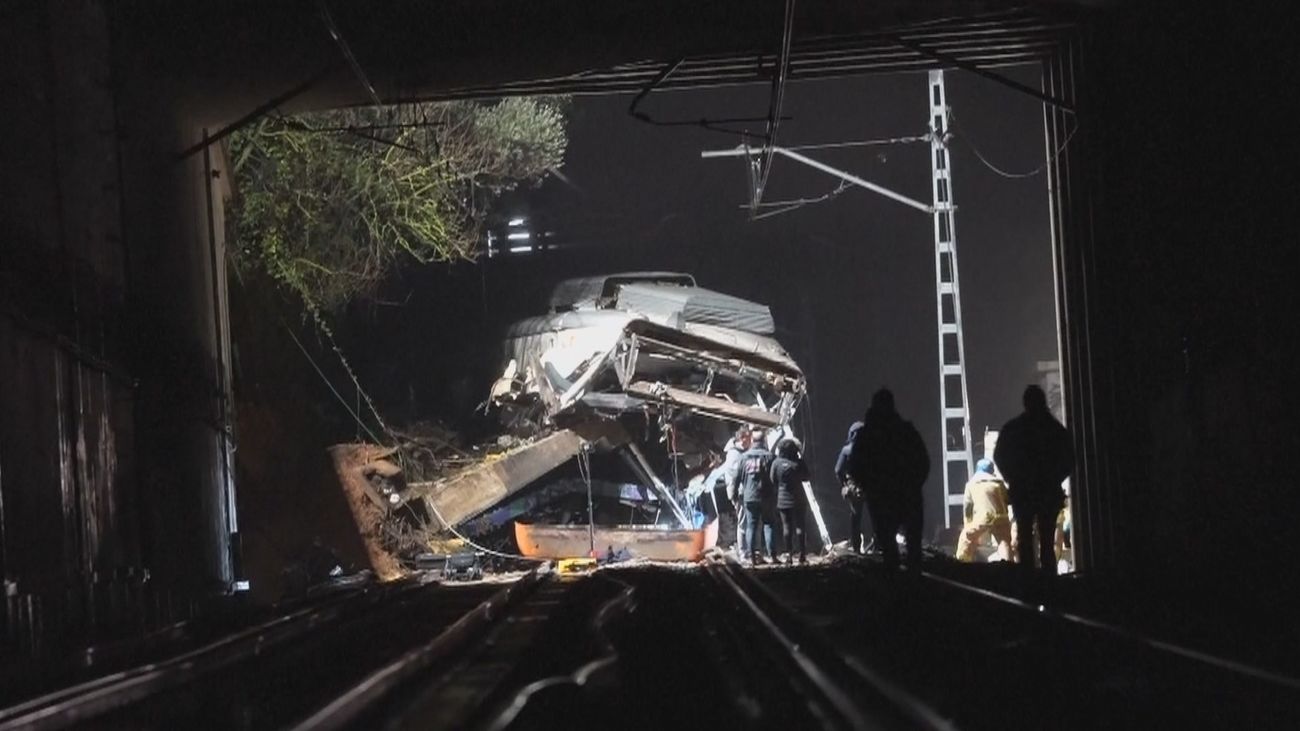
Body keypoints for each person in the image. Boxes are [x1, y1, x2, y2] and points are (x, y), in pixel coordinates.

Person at [993, 385, 1073, 578]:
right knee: (1047, 541)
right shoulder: (1055, 430)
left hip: (1022, 492)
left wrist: (1012, 478)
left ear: (1025, 403)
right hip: (1048, 492)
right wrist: (1055, 479)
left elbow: (999, 456)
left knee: (1024, 540)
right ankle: (1049, 581)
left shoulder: (1013, 429)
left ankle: (1028, 582)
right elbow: (1070, 458)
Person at [848, 389, 930, 571]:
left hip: (880, 497)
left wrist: (869, 487)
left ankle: (893, 581)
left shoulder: (866, 435)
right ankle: (916, 581)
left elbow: (855, 466)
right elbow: (923, 461)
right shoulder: (907, 431)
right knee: (913, 545)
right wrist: (914, 484)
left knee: (887, 544)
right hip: (909, 495)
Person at [954, 459, 1012, 562]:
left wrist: (968, 524)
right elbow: (1008, 499)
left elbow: (967, 508)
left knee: (966, 538)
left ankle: (962, 562)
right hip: (1001, 517)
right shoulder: (999, 483)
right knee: (1004, 543)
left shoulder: (971, 484)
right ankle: (1008, 564)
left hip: (983, 518)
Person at [738, 427, 777, 565]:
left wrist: (735, 494)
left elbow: (738, 477)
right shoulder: (770, 456)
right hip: (766, 496)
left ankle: (752, 558)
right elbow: (775, 476)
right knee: (769, 524)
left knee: (751, 526)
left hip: (749, 496)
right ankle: (772, 556)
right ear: (764, 440)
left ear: (752, 440)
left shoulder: (744, 457)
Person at [771, 438, 811, 564]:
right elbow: (806, 477)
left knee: (786, 527)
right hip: (799, 498)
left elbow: (772, 479)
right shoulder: (798, 463)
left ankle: (789, 555)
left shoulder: (776, 463)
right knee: (800, 526)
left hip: (783, 499)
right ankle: (802, 554)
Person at [835, 420, 867, 553]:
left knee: (856, 518)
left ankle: (856, 548)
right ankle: (878, 545)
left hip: (854, 487)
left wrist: (844, 484)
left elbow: (838, 470)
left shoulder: (847, 450)